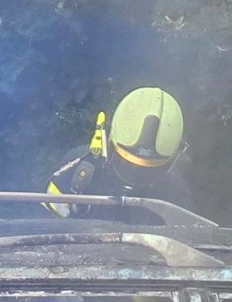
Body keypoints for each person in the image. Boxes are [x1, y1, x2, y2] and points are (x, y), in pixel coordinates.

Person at [44, 87, 194, 217]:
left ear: (173, 162)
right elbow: (45, 228)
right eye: (125, 163)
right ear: (108, 143)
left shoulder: (176, 195)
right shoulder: (76, 171)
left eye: (148, 170)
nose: (134, 176)